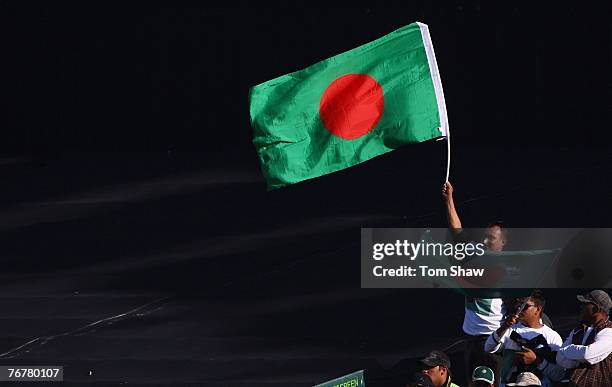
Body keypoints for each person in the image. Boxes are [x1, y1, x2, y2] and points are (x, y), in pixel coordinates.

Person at [443, 181, 506, 386]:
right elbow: (457, 230)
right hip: (470, 338)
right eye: (485, 237)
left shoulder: (508, 270)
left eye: (492, 239)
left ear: (503, 243)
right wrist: (449, 198)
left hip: (493, 341)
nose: (486, 241)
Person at [483, 290, 564, 387]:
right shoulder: (509, 329)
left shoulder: (552, 336)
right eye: (518, 304)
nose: (519, 308)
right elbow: (488, 348)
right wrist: (504, 326)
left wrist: (536, 360)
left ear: (538, 309)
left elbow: (559, 374)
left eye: (524, 306)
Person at [556, 289, 612, 387]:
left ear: (596, 309)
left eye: (585, 304)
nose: (581, 307)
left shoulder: (609, 331)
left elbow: (588, 354)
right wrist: (577, 360)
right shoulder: (578, 329)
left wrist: (570, 351)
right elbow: (560, 358)